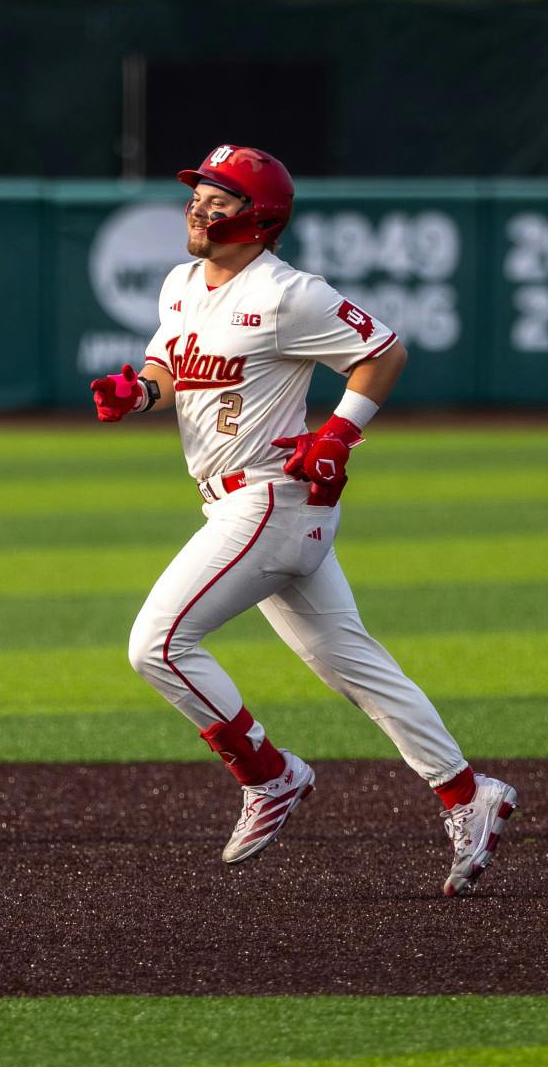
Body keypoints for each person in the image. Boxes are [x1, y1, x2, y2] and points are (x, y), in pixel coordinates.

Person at [90, 144, 517, 896]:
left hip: (267, 500)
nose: (198, 206)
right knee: (352, 665)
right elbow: (167, 364)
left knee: (157, 644)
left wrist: (340, 432)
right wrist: (141, 393)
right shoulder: (182, 282)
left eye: (218, 198)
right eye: (198, 193)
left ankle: (270, 774)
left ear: (259, 218)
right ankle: (465, 793)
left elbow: (383, 352)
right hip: (241, 502)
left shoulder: (290, 293)